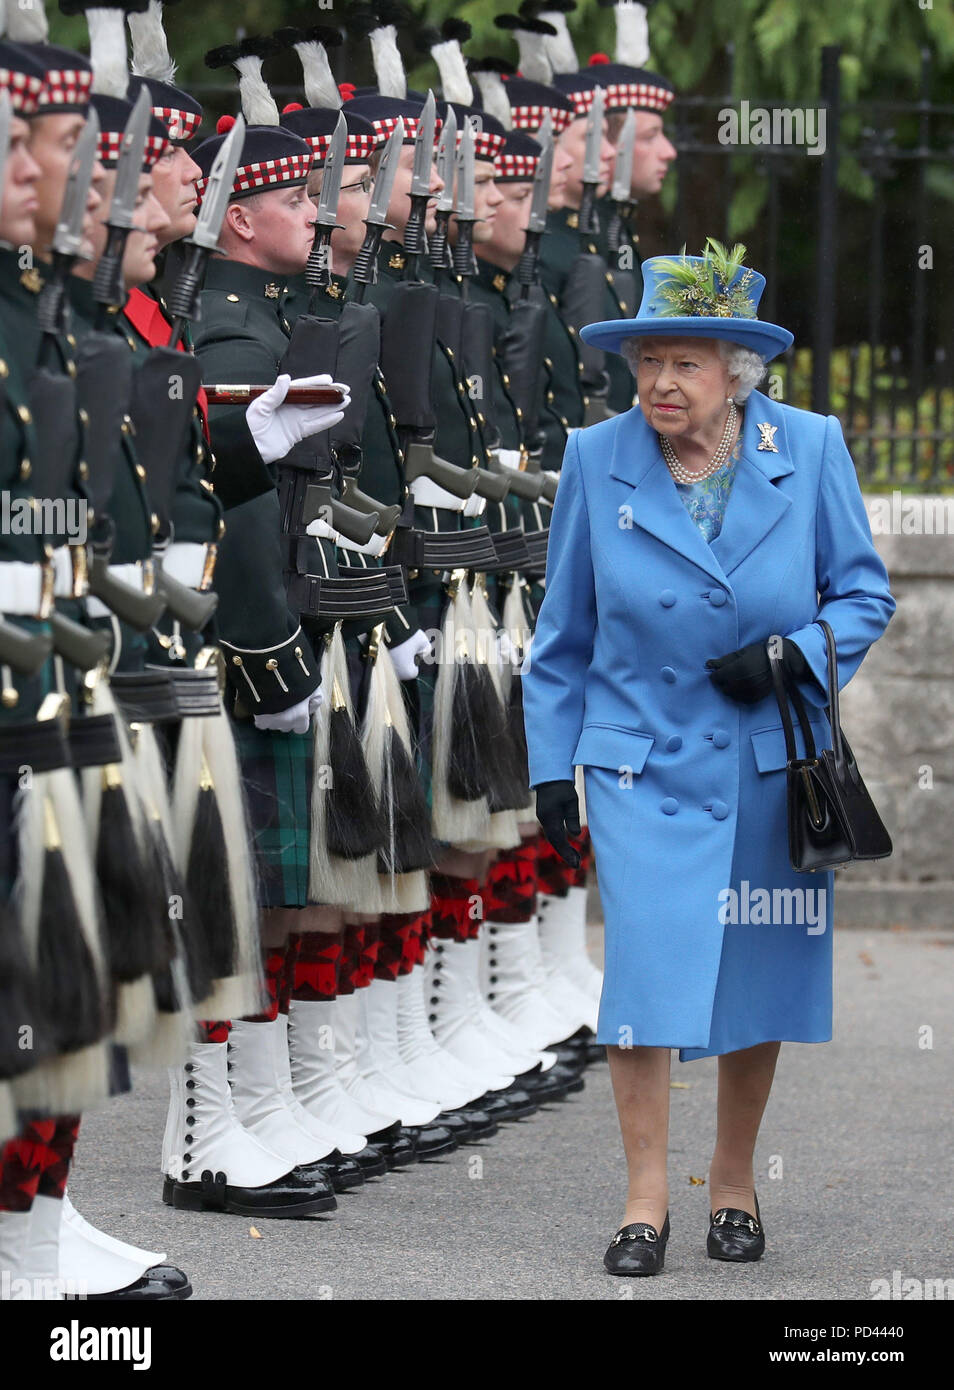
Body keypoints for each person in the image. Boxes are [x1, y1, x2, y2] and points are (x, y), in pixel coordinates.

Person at [521, 240, 896, 1275]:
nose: (657, 383)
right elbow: (561, 636)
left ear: (737, 372)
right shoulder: (599, 458)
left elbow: (862, 595)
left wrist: (793, 655)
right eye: (646, 361)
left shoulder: (809, 447)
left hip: (770, 763)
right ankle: (646, 1201)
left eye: (683, 363)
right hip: (643, 769)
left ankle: (733, 1183)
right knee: (644, 969)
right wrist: (554, 766)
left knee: (754, 971)